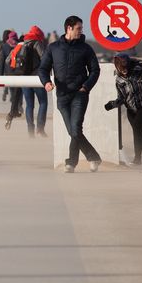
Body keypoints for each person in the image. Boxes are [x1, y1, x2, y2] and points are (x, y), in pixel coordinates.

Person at [38, 15, 102, 173]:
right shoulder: (53, 48)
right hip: (62, 95)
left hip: (80, 94)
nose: (81, 31)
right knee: (73, 132)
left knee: (75, 128)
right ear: (69, 28)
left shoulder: (85, 48)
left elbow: (95, 70)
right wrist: (46, 82)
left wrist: (86, 87)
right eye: (78, 28)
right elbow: (43, 69)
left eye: (81, 28)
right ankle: (93, 157)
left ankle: (71, 163)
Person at [105, 54, 142, 170]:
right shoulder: (119, 80)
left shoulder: (141, 72)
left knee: (138, 129)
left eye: (125, 68)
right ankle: (138, 159)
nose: (124, 71)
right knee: (137, 132)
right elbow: (122, 98)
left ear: (129, 64)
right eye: (121, 69)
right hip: (131, 111)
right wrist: (112, 104)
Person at [18, 26, 48, 137]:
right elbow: (45, 58)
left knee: (29, 105)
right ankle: (40, 128)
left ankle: (30, 130)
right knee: (43, 102)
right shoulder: (37, 43)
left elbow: (9, 60)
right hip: (37, 78)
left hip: (24, 79)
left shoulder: (22, 44)